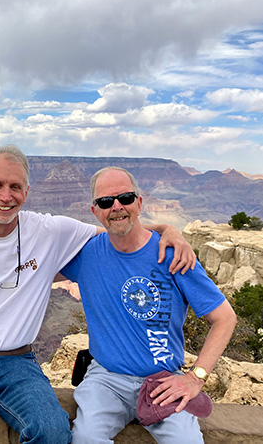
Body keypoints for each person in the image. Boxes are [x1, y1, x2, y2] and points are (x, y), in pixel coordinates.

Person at [0, 146, 196, 443]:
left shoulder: (50, 230)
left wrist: (167, 228)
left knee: (52, 431)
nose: (6, 196)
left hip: (15, 365)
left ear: (27, 191)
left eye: (15, 187)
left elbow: (118, 226)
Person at [60, 167, 237, 444]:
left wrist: (196, 378)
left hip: (163, 382)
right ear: (95, 211)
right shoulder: (86, 254)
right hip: (105, 379)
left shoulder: (173, 255)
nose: (117, 206)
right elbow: (33, 267)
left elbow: (225, 318)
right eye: (106, 202)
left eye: (126, 198)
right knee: (86, 438)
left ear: (140, 203)